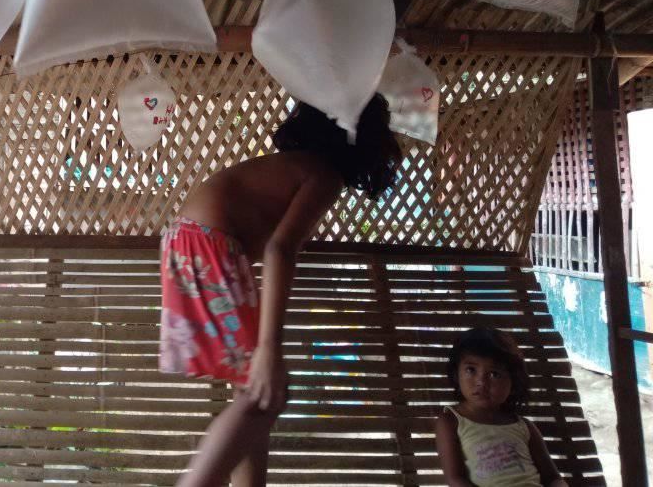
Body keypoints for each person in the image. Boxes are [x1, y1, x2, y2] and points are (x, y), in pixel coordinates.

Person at [159, 95, 403, 487]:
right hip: (208, 244)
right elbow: (280, 249)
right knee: (264, 393)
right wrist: (270, 348)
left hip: (193, 242)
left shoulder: (297, 167)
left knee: (257, 389)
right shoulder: (323, 175)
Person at [435, 327, 568, 487]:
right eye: (471, 370)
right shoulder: (451, 422)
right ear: (456, 374)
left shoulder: (524, 426)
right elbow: (456, 479)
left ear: (513, 382)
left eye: (494, 374)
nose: (481, 382)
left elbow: (553, 477)